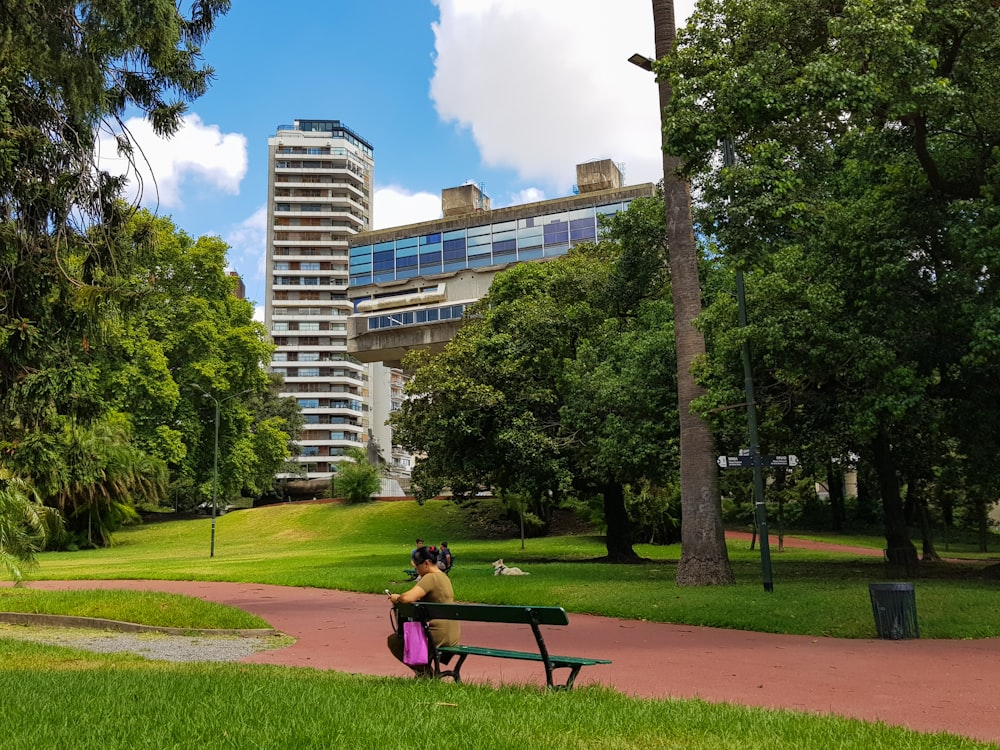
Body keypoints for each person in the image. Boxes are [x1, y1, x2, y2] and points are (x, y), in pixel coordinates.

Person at [387, 545, 460, 676]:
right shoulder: (444, 577)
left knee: (394, 641)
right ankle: (426, 672)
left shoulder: (430, 578)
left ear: (426, 563)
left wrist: (396, 597)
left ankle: (425, 673)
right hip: (452, 633)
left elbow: (407, 598)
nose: (417, 570)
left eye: (417, 567)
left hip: (438, 634)